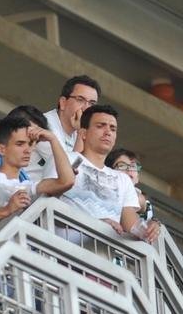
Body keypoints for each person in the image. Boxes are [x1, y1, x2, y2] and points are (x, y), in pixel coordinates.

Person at [0, 114, 75, 267]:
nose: (28, 150)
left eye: (31, 144)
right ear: (2, 149)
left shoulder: (28, 187)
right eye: (20, 144)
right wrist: (6, 210)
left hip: (5, 272)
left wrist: (53, 139)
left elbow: (66, 181)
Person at [61, 104, 161, 244]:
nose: (108, 132)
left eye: (112, 129)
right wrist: (96, 224)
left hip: (104, 256)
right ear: (83, 133)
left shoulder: (123, 180)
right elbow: (46, 200)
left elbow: (130, 223)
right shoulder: (65, 159)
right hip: (60, 249)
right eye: (100, 126)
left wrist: (149, 228)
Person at [25, 75, 101, 181]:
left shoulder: (78, 131)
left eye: (92, 103)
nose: (86, 108)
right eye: (80, 100)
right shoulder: (44, 125)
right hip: (23, 189)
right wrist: (81, 131)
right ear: (63, 102)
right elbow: (70, 172)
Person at [105, 147, 154, 223]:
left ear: (137, 178)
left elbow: (147, 218)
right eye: (121, 165)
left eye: (133, 167)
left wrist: (155, 222)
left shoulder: (144, 201)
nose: (129, 169)